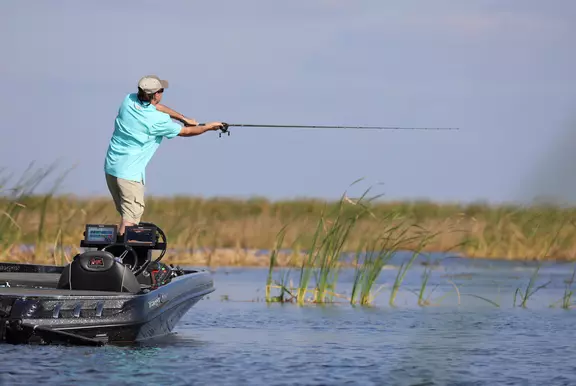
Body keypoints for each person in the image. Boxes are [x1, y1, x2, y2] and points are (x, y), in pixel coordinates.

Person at [104, 74, 223, 235]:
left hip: (111, 169)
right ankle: (120, 257)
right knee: (130, 219)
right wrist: (209, 127)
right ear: (156, 95)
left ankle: (118, 255)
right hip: (129, 175)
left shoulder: (128, 100)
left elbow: (156, 107)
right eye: (161, 90)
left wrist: (183, 118)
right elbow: (186, 132)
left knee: (127, 215)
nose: (162, 93)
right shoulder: (157, 121)